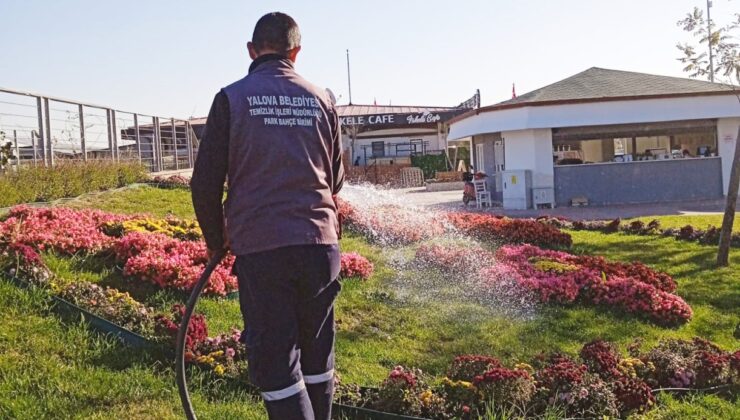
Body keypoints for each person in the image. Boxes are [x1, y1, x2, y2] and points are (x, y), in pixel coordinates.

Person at [191, 12, 344, 420]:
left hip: (263, 250)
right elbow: (336, 179)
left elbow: (205, 183)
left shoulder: (231, 98)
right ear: (296, 52)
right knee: (317, 355)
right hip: (320, 247)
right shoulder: (323, 99)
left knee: (277, 363)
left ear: (251, 51)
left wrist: (214, 240)